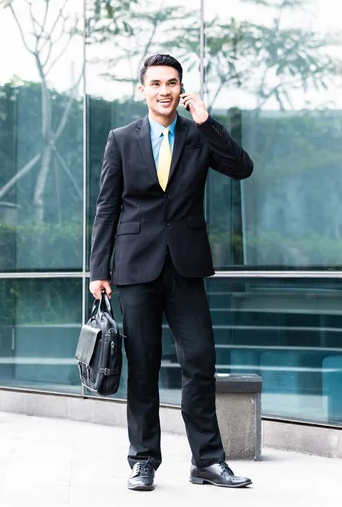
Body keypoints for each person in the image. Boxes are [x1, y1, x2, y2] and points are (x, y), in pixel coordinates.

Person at [89, 54, 254, 491]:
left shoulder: (199, 137)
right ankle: (143, 460)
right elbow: (107, 206)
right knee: (142, 367)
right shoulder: (122, 139)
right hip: (135, 267)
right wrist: (97, 269)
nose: (165, 90)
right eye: (157, 83)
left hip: (185, 266)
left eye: (173, 83)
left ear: (182, 90)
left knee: (200, 361)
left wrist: (207, 122)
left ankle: (208, 462)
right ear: (141, 90)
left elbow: (242, 168)